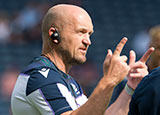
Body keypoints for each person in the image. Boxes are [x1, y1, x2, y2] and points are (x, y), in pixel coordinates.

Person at [11, 4, 154, 115]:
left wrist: (130, 88)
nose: (88, 41)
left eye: (90, 34)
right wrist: (109, 80)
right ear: (54, 34)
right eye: (81, 32)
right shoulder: (40, 76)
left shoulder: (67, 81)